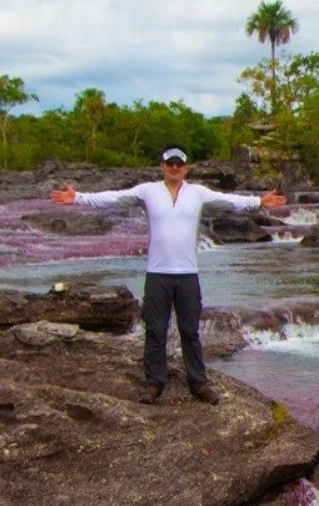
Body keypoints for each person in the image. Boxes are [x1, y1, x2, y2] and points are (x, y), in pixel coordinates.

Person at [49, 147, 285, 404]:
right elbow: (114, 198)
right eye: (170, 163)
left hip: (187, 275)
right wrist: (79, 197)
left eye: (179, 164)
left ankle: (198, 383)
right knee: (155, 330)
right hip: (157, 274)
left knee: (190, 331)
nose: (175, 168)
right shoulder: (147, 192)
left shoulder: (198, 193)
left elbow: (229, 200)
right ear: (162, 165)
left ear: (186, 167)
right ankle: (154, 384)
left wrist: (259, 202)